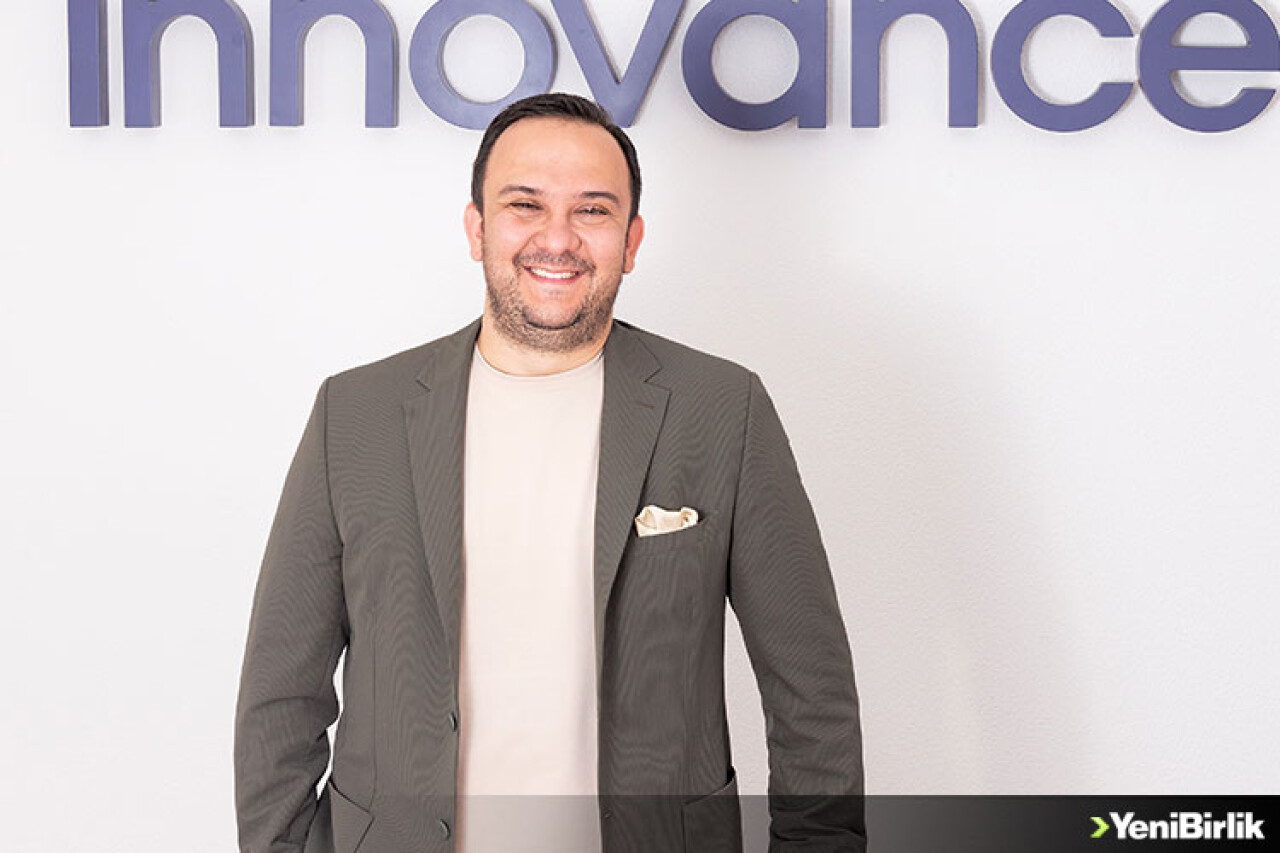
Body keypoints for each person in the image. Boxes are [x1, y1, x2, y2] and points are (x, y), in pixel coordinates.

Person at [234, 92, 865, 853]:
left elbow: (811, 690)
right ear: (478, 228)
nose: (557, 239)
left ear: (631, 239)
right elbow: (281, 694)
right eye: (525, 205)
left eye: (592, 210)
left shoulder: (723, 410)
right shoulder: (356, 415)